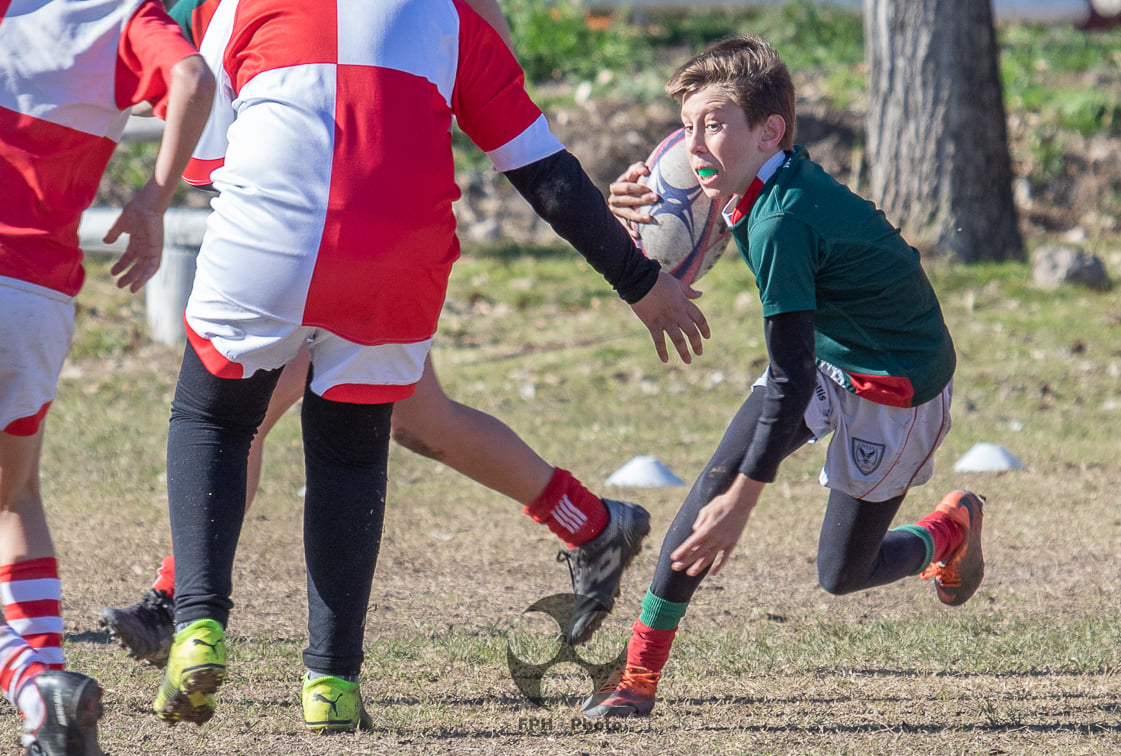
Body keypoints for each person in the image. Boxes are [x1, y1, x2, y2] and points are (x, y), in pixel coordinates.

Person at [150, 0, 709, 734]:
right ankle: (331, 684)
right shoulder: (449, 18)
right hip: (399, 255)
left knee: (214, 419)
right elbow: (544, 172)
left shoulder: (235, 7)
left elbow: (213, 158)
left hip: (275, 243)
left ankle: (192, 621)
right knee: (355, 453)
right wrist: (640, 283)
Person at [583, 35, 984, 719]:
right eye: (685, 128)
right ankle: (637, 678)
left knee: (840, 574)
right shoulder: (749, 177)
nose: (695, 145)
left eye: (714, 124)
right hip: (825, 354)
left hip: (896, 385)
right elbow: (682, 230)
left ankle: (949, 530)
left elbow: (791, 375)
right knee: (706, 489)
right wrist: (628, 215)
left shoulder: (781, 218)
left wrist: (746, 499)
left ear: (771, 132)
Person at [0, 0, 214, 752]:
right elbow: (191, 74)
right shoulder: (128, 18)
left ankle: (29, 678)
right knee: (14, 495)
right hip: (34, 301)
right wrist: (155, 194)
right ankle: (50, 697)